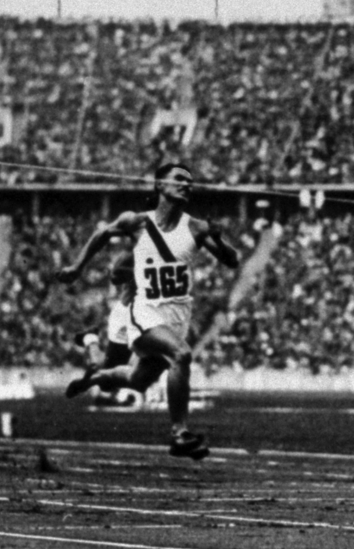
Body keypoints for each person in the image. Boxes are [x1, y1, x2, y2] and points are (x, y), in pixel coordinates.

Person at [55, 163, 239, 460]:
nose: (186, 185)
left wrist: (217, 238)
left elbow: (232, 261)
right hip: (145, 312)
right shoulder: (137, 222)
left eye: (190, 182)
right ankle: (180, 433)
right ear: (159, 185)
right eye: (179, 179)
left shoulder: (196, 227)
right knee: (182, 354)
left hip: (177, 316)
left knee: (137, 381)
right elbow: (102, 234)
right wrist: (77, 268)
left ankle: (92, 377)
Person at [66, 249, 137, 401]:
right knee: (107, 381)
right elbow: (118, 275)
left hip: (137, 316)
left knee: (109, 377)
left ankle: (90, 339)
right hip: (127, 319)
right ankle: (90, 339)